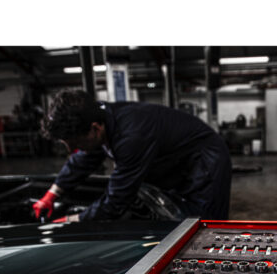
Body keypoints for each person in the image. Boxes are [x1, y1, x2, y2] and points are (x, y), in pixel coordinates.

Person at [35, 89, 231, 222]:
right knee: (177, 216)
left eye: (76, 144)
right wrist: (51, 194)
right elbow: (82, 160)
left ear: (95, 129)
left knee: (203, 223)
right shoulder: (96, 117)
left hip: (205, 160)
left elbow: (117, 199)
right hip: (176, 161)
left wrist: (74, 220)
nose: (73, 150)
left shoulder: (131, 136)